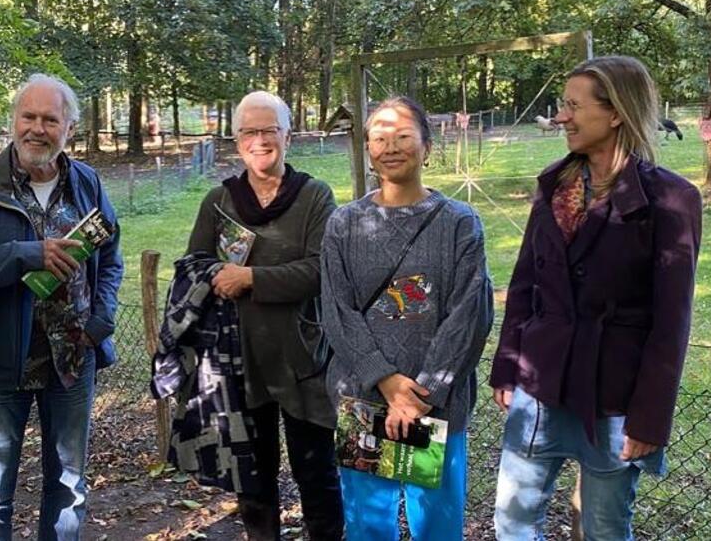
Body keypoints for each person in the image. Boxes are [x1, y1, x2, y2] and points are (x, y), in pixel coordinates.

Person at [490, 56, 703, 540]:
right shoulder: (554, 185)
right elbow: (525, 283)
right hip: (538, 384)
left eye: (572, 105)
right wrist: (506, 366)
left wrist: (651, 418)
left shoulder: (670, 200)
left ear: (615, 113)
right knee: (512, 521)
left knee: (606, 528)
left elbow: (672, 323)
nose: (561, 116)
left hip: (615, 397)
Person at [0, 73, 123, 541]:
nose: (37, 128)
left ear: (69, 129)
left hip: (71, 361)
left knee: (68, 486)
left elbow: (111, 256)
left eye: (50, 119)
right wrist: (24, 255)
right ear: (13, 121)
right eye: (29, 116)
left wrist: (101, 320)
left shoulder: (86, 182)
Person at [320, 96, 493, 541]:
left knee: (435, 523)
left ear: (427, 146)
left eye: (402, 136)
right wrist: (385, 380)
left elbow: (469, 313)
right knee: (368, 523)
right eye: (379, 137)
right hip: (364, 400)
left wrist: (421, 393)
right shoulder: (345, 224)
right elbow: (337, 311)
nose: (390, 146)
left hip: (433, 404)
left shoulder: (459, 223)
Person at [184, 91, 344, 540]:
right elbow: (194, 263)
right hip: (240, 363)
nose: (259, 140)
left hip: (303, 361)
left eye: (268, 130)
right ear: (237, 141)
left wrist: (250, 277)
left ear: (287, 136)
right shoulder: (220, 201)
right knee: (253, 484)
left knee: (318, 477)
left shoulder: (314, 197)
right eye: (249, 132)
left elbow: (320, 270)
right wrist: (217, 272)